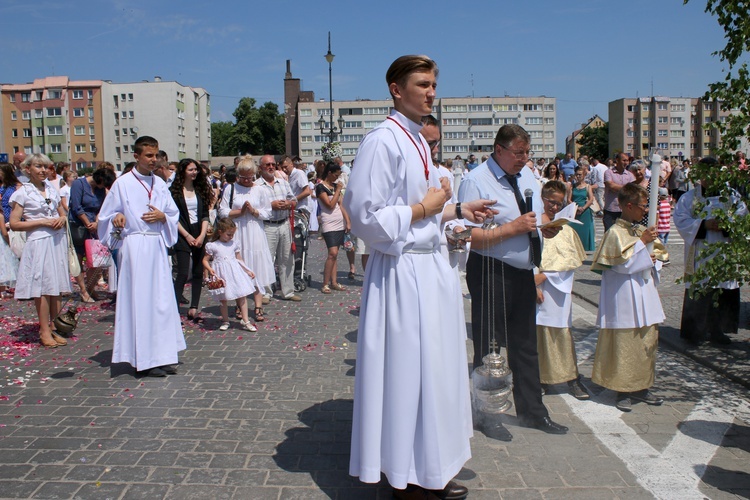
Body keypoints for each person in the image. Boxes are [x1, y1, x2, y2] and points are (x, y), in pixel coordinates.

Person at [344, 54, 495, 500]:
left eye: (433, 84)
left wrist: (456, 210)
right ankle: (403, 475)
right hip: (402, 273)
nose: (431, 92)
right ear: (396, 88)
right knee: (408, 373)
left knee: (437, 372)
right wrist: (425, 209)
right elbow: (365, 218)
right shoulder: (382, 141)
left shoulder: (416, 140)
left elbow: (422, 208)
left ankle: (431, 465)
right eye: (423, 84)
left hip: (430, 270)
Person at [459, 124, 568, 437]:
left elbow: (529, 219)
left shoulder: (527, 176)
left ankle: (533, 412)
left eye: (527, 152)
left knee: (525, 345)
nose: (524, 158)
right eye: (518, 153)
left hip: (523, 271)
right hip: (491, 270)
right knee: (490, 347)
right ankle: (487, 414)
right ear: (500, 150)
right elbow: (466, 236)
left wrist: (542, 228)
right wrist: (512, 229)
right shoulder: (476, 181)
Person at [97, 136, 185, 378]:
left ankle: (163, 355)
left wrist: (163, 218)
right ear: (136, 156)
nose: (153, 160)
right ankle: (143, 359)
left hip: (156, 245)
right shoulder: (122, 184)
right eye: (148, 155)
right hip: (135, 246)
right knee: (141, 302)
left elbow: (172, 213)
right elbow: (106, 216)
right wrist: (117, 217)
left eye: (156, 155)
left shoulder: (159, 183)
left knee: (161, 302)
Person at [590, 183, 666, 412]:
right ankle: (622, 389)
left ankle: (642, 387)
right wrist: (642, 245)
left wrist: (655, 260)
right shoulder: (615, 232)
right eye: (643, 206)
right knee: (625, 342)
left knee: (646, 341)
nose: (645, 210)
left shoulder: (637, 231)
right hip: (623, 296)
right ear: (629, 206)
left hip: (645, 292)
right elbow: (619, 265)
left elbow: (659, 256)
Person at [674, 157, 747, 345]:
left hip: (723, 250)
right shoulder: (689, 198)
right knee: (701, 288)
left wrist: (724, 224)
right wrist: (704, 224)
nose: (708, 177)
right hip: (700, 252)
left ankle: (718, 330)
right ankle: (696, 331)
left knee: (722, 289)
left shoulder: (730, 196)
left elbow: (742, 215)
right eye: (704, 173)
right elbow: (681, 220)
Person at [535, 180, 589, 400]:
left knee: (562, 333)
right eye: (551, 202)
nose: (555, 208)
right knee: (537, 335)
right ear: (542, 200)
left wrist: (544, 277)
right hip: (535, 290)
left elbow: (570, 262)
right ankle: (539, 379)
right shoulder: (534, 225)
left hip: (557, 291)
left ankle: (571, 378)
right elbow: (526, 257)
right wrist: (533, 282)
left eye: (559, 204)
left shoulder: (566, 230)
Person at [9, 153, 70, 348]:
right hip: (39, 242)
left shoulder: (51, 189)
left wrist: (62, 218)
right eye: (38, 167)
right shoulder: (23, 192)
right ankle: (44, 330)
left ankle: (54, 326)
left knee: (56, 287)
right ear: (28, 169)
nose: (43, 170)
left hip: (56, 240)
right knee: (42, 288)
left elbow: (62, 212)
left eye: (45, 167)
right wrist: (42, 222)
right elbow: (14, 223)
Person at [218, 155, 274, 322]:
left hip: (255, 231)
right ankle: (239, 304)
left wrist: (254, 211)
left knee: (255, 267)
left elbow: (267, 212)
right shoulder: (231, 189)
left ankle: (258, 306)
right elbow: (222, 211)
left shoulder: (260, 190)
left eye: (250, 177)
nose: (247, 181)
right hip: (237, 231)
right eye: (243, 177)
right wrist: (240, 212)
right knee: (238, 268)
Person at [170, 158, 212, 323]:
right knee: (182, 272)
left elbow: (205, 214)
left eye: (196, 169)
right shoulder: (174, 192)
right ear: (183, 172)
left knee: (197, 271)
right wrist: (187, 235)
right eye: (190, 170)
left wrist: (202, 235)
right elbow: (172, 217)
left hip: (199, 231)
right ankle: (174, 309)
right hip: (182, 233)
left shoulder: (200, 190)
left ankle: (194, 306)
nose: (194, 172)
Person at [255, 154, 301, 302]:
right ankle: (266, 292)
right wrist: (271, 206)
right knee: (267, 259)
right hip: (268, 225)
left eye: (273, 164)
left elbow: (293, 199)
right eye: (267, 165)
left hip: (284, 222)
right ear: (261, 167)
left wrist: (289, 204)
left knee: (287, 258)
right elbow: (254, 207)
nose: (270, 167)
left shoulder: (283, 182)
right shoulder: (256, 185)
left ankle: (288, 291)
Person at [68, 168, 117, 302]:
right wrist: (88, 223)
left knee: (95, 259)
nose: (102, 187)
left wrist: (96, 222)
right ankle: (83, 290)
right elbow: (76, 207)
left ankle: (90, 287)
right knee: (79, 258)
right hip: (78, 225)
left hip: (93, 226)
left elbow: (101, 207)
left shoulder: (100, 190)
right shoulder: (79, 184)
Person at [202, 218, 258, 332]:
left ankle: (246, 320)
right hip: (221, 274)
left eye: (232, 234)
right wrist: (209, 269)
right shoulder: (213, 245)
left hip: (235, 272)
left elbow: (239, 258)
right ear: (220, 232)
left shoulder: (233, 244)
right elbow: (205, 260)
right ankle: (225, 320)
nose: (231, 237)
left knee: (242, 295)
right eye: (228, 234)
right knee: (223, 298)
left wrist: (247, 270)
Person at [316, 162, 350, 293]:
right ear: (329, 173)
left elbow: (341, 205)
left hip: (339, 222)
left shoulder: (336, 186)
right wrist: (337, 191)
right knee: (332, 253)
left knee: (336, 254)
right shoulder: (320, 187)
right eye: (336, 175)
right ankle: (325, 283)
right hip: (328, 222)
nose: (337, 178)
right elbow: (330, 204)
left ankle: (334, 282)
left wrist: (347, 221)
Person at [602, 152, 636, 231]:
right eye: (624, 160)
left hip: (625, 210)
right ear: (617, 160)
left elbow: (633, 189)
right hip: (611, 209)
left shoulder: (630, 175)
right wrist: (627, 188)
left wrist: (618, 187)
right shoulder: (608, 172)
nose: (626, 163)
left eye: (627, 161)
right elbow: (610, 186)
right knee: (609, 234)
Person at [569, 166, 595, 251]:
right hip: (574, 210)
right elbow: (568, 199)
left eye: (580, 175)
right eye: (576, 175)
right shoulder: (572, 186)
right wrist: (575, 207)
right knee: (574, 229)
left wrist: (583, 208)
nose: (578, 176)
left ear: (584, 175)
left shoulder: (588, 186)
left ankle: (585, 247)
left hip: (585, 210)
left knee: (585, 230)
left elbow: (591, 199)